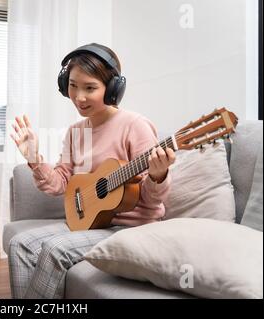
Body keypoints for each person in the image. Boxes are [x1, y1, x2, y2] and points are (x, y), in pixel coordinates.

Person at [9, 43, 176, 299]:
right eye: (73, 85)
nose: (79, 97)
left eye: (90, 88)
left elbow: (152, 200)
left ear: (112, 90)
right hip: (91, 223)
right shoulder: (76, 132)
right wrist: (34, 158)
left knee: (55, 248)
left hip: (131, 228)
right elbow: (60, 184)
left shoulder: (135, 125)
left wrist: (158, 176)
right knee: (19, 244)